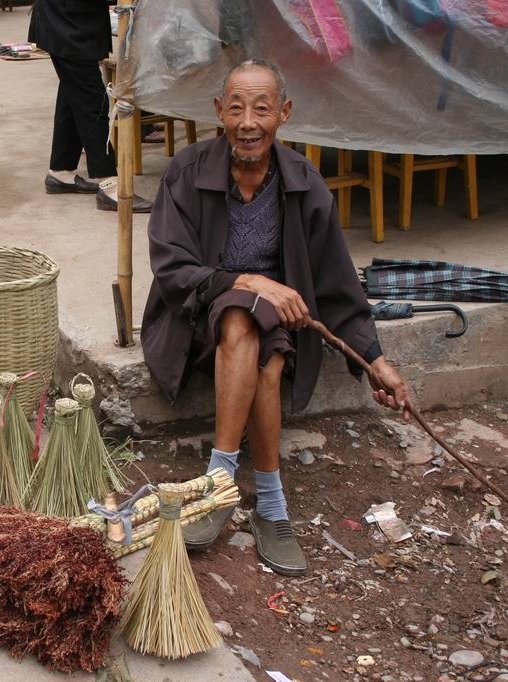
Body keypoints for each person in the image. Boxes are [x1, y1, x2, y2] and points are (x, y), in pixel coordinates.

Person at [141, 60, 410, 575]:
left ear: (283, 114)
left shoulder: (305, 184)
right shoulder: (186, 171)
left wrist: (375, 360)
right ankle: (241, 487)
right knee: (244, 317)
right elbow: (174, 270)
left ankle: (257, 497)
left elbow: (336, 286)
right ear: (219, 111)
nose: (248, 122)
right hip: (196, 323)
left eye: (262, 109)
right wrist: (251, 282)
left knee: (267, 344)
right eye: (236, 107)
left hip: (272, 336)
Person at [28, 0, 151, 212]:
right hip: (66, 24)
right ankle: (110, 185)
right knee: (93, 101)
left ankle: (61, 171)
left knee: (73, 93)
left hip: (72, 20)